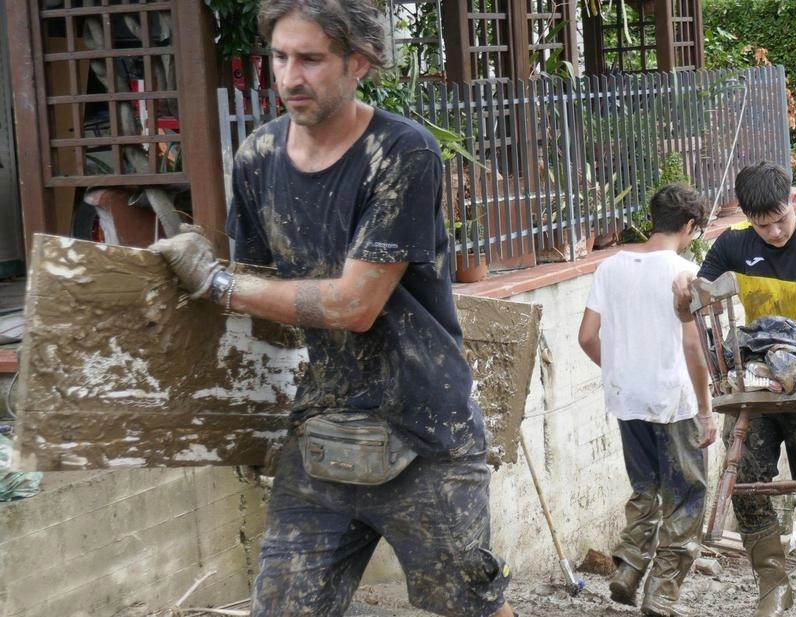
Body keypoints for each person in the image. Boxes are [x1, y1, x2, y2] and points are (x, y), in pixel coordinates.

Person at [148, 2, 513, 615]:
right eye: (280, 57)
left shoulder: (402, 153)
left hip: (421, 427)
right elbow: (265, 301)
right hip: (318, 427)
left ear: (358, 63)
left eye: (311, 59)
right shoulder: (258, 157)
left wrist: (216, 285)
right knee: (286, 606)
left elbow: (354, 304)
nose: (290, 77)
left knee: (469, 605)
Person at [672, 161, 796, 617]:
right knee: (746, 480)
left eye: (781, 219)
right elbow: (696, 303)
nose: (776, 233)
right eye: (764, 225)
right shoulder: (734, 243)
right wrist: (684, 294)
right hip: (757, 379)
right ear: (746, 216)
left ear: (793, 201)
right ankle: (772, 586)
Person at [578, 183, 717, 617]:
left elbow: (586, 337)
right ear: (690, 226)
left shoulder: (609, 267)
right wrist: (706, 409)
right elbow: (694, 349)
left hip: (626, 398)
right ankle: (662, 593)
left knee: (645, 488)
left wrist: (620, 371)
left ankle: (629, 567)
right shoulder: (685, 273)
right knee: (687, 494)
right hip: (673, 400)